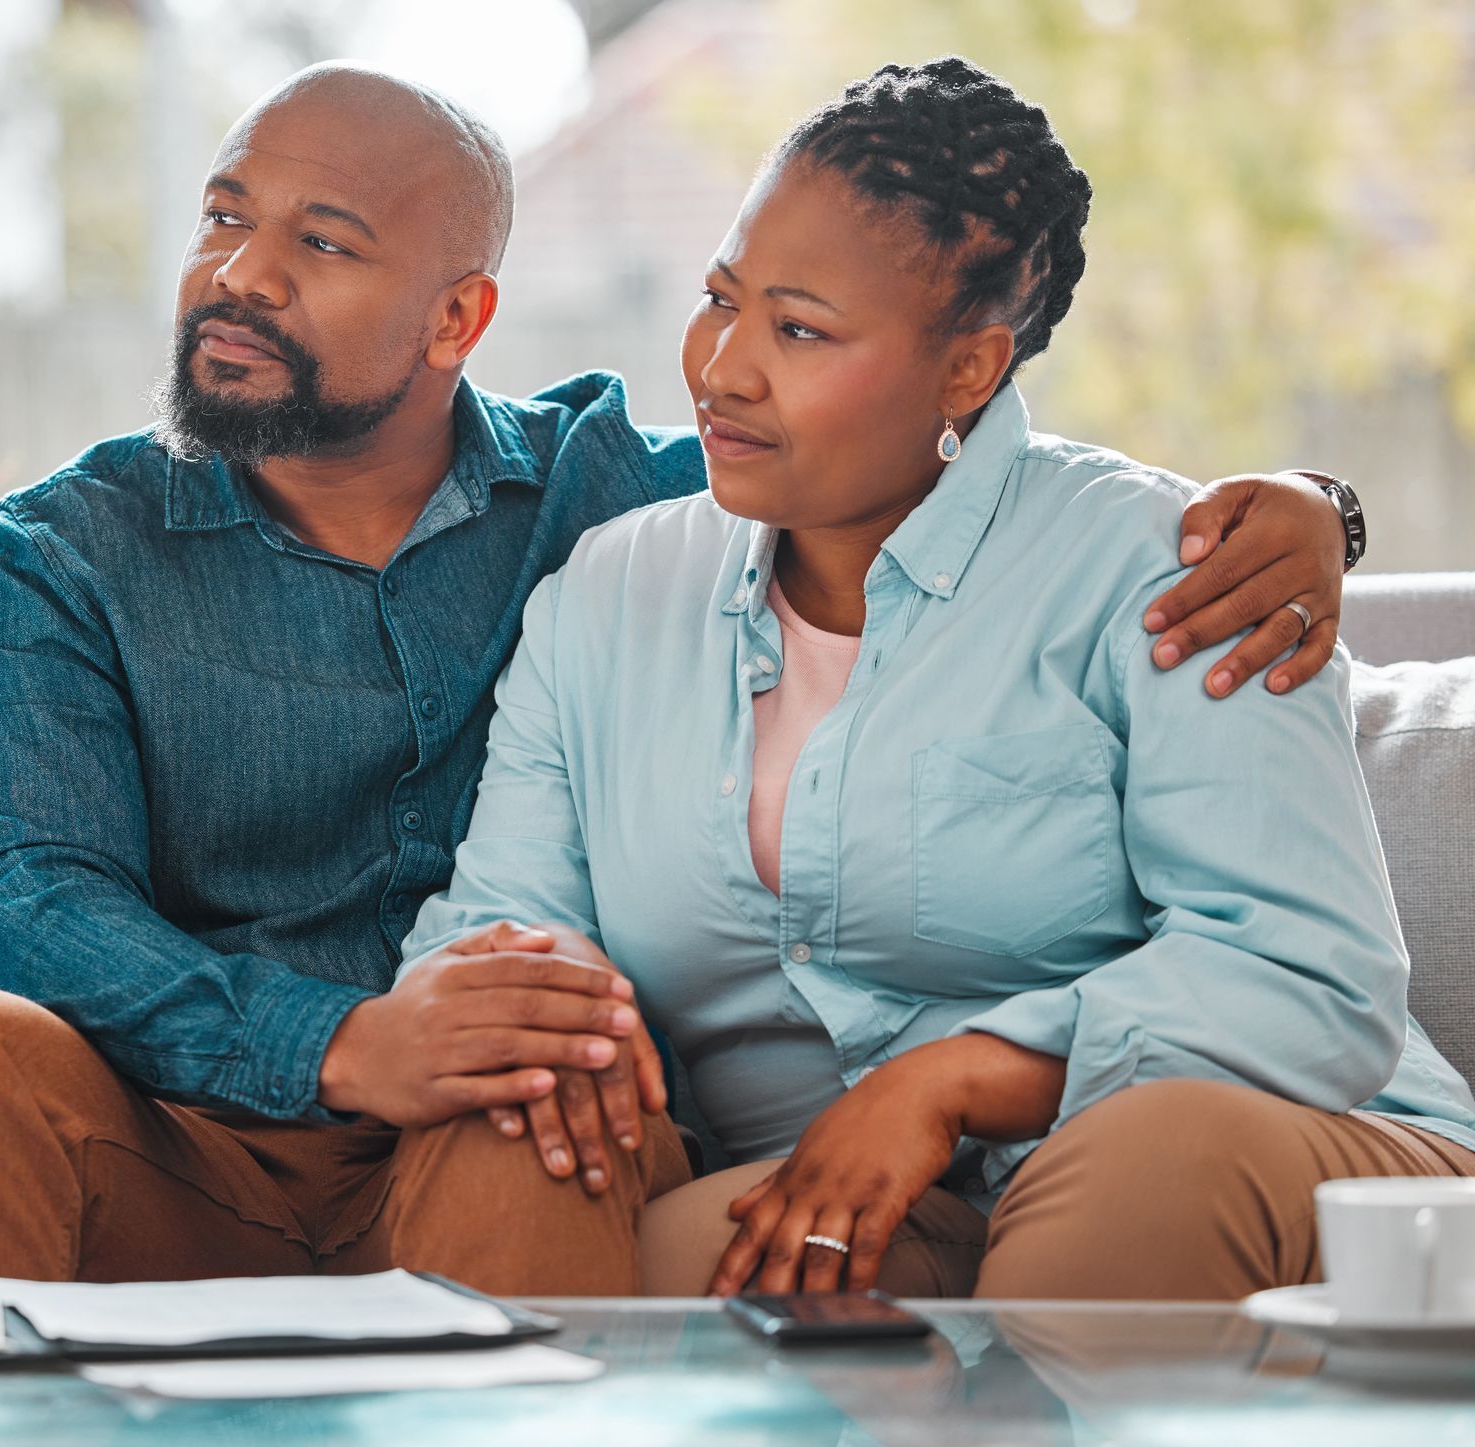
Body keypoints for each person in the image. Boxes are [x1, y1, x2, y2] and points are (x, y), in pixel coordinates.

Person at [0, 63, 1361, 1285]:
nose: (240, 275)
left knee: (537, 1101)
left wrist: (1310, 507)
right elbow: (33, 895)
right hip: (204, 1135)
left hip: (514, 1131)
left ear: (458, 319)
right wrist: (350, 1041)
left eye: (320, 242)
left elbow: (903, 445)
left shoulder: (611, 504)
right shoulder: (66, 549)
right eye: (223, 219)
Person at [393, 56, 1475, 1300]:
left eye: (800, 330)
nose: (724, 366)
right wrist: (548, 1014)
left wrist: (955, 1075)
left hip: (1281, 1160)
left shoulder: (1175, 570)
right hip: (865, 1195)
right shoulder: (608, 597)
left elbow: (1309, 976)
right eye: (721, 299)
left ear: (969, 369)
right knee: (696, 1252)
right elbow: (493, 925)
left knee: (1135, 1172)